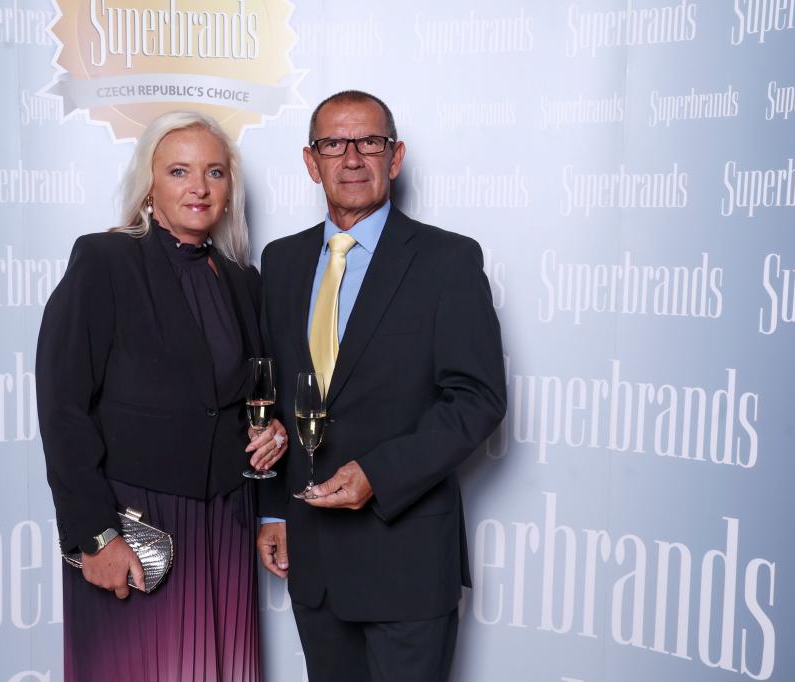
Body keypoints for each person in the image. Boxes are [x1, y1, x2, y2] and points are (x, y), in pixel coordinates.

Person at [256, 91, 507, 682]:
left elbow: (478, 399)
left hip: (407, 561)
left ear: (395, 158)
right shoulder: (281, 262)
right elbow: (275, 400)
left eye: (369, 142)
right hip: (314, 560)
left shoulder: (448, 260)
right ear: (311, 161)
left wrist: (379, 473)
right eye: (333, 144)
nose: (351, 158)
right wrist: (273, 512)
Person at [36, 110, 288, 682]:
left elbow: (243, 401)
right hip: (135, 528)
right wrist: (95, 536)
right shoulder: (105, 261)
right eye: (179, 171)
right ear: (149, 186)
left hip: (224, 523)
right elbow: (62, 407)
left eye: (214, 172)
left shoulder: (242, 280)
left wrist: (269, 433)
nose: (199, 187)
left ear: (230, 189)